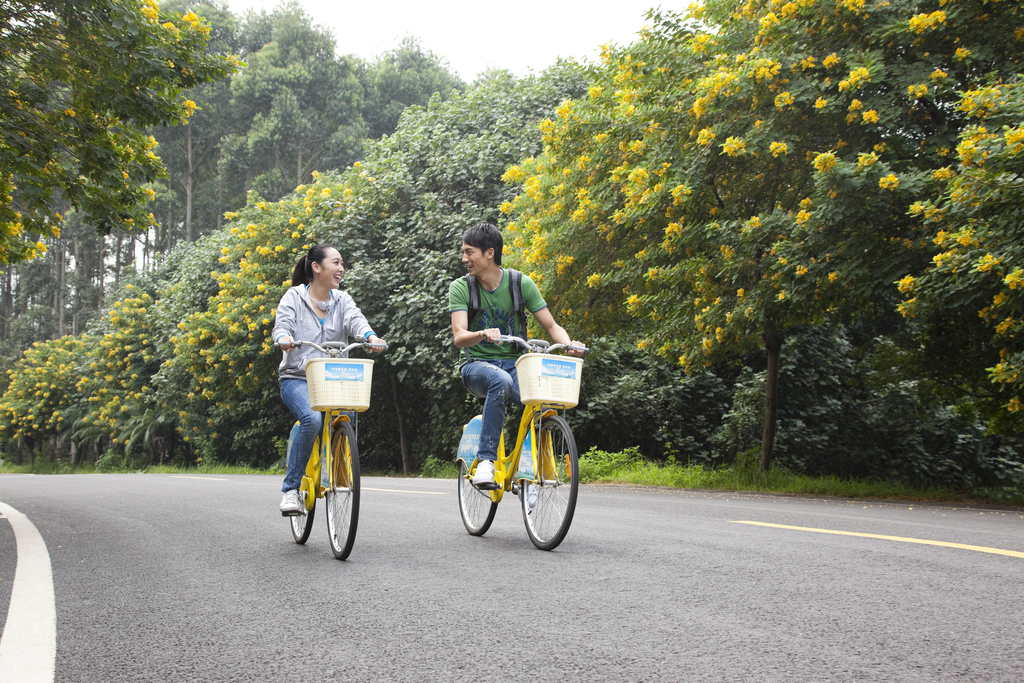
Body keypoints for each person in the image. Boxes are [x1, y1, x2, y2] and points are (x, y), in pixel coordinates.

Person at [449, 222, 583, 489]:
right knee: (499, 380)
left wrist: (569, 344)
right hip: (476, 366)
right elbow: (459, 335)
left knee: (541, 399)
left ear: (489, 253)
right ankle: (486, 462)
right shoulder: (462, 287)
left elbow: (552, 326)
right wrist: (482, 334)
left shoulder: (520, 284)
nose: (464, 259)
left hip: (515, 365)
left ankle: (527, 470)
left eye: (469, 252)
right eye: (463, 252)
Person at [273, 243, 385, 515]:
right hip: (297, 378)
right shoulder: (294, 297)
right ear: (316, 267)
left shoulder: (342, 300)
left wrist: (370, 338)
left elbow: (357, 322)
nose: (341, 268)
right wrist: (284, 340)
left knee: (346, 416)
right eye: (336, 262)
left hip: (335, 378)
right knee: (311, 419)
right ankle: (291, 490)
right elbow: (282, 325)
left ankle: (338, 474)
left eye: (342, 263)